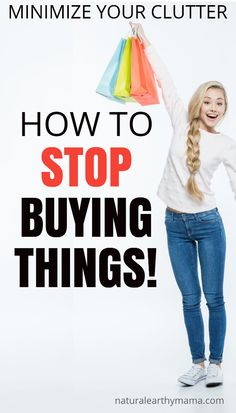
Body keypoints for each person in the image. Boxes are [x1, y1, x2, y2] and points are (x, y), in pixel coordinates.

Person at [130, 22, 236, 387]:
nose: (213, 107)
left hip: (208, 224)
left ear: (224, 110)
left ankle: (216, 364)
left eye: (220, 102)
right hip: (174, 224)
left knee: (214, 297)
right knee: (190, 300)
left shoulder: (225, 143)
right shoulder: (179, 120)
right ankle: (197, 362)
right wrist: (146, 43)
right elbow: (165, 80)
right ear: (197, 103)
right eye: (208, 100)